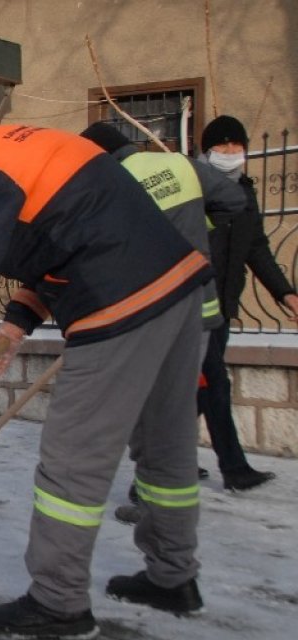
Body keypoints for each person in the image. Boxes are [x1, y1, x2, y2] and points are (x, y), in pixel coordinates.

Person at [0, 125, 212, 638]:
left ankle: (58, 602)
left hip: (119, 299)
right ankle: (174, 576)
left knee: (71, 460)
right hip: (177, 285)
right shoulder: (6, 149)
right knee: (166, 446)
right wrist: (18, 318)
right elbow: (62, 233)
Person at [79, 122, 247, 522]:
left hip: (150, 311)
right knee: (177, 404)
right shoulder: (181, 165)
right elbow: (233, 202)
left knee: (157, 408)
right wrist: (196, 232)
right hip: (200, 308)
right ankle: (163, 500)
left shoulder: (112, 188)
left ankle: (152, 497)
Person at [194, 115, 296, 491]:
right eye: (222, 148)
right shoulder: (193, 188)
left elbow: (256, 248)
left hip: (221, 307)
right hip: (190, 305)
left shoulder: (245, 193)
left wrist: (285, 292)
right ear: (207, 151)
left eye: (237, 147)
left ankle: (163, 464)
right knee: (213, 382)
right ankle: (233, 468)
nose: (231, 154)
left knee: (194, 389)